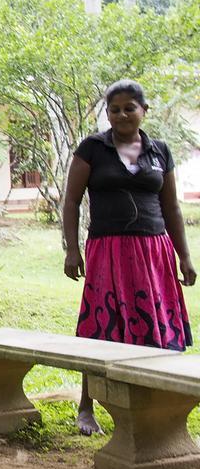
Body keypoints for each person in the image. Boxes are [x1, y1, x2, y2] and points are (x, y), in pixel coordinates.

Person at [62, 79, 195, 435]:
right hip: (109, 250)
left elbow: (172, 206)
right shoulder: (93, 148)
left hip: (154, 252)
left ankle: (158, 404)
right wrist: (72, 249)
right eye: (115, 109)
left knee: (155, 323)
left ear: (143, 110)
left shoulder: (159, 150)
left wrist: (184, 256)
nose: (122, 114)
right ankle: (86, 408)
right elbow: (71, 200)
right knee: (100, 326)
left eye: (129, 108)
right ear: (108, 113)